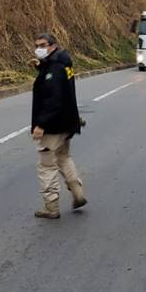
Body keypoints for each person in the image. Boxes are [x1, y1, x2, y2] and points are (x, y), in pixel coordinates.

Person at [30, 33, 87, 218]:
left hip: (52, 125)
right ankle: (78, 192)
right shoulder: (63, 63)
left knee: (46, 165)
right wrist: (41, 67)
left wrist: (41, 124)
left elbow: (53, 99)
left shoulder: (54, 68)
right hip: (66, 123)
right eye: (37, 45)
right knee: (63, 157)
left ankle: (51, 206)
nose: (39, 48)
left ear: (53, 46)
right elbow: (57, 84)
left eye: (43, 45)